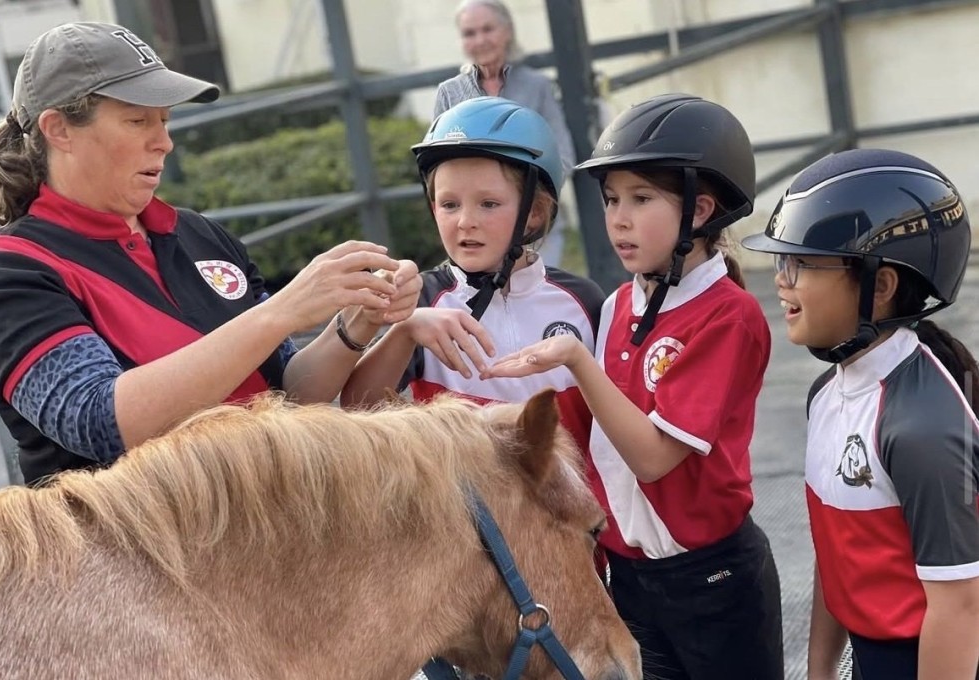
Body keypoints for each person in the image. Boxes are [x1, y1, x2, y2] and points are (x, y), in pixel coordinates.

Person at [0, 22, 421, 487]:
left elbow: (289, 393)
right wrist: (284, 310)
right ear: (58, 129)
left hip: (275, 523)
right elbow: (101, 422)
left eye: (164, 119)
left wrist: (357, 322)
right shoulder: (3, 273)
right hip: (132, 550)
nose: (163, 141)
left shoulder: (198, 233)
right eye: (137, 120)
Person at [481, 93, 785, 680]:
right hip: (630, 573)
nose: (618, 218)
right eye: (611, 199)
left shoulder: (729, 315)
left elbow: (652, 460)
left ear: (699, 211)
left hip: (711, 579)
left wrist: (575, 358)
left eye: (641, 199)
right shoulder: (621, 300)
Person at [340, 96, 604, 680]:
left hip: (564, 545)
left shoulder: (581, 302)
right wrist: (405, 331)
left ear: (534, 212)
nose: (465, 221)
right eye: (449, 203)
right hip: (464, 560)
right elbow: (357, 408)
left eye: (489, 203)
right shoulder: (426, 299)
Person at [743, 148, 979, 680]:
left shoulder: (923, 427)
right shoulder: (827, 393)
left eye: (801, 264)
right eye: (782, 262)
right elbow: (838, 559)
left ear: (883, 285)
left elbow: (960, 608)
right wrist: (820, 669)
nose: (781, 280)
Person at [434, 0, 576, 268]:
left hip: (532, 223)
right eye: (469, 33)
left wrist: (528, 197)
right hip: (473, 227)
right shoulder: (449, 93)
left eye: (488, 29)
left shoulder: (538, 86)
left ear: (507, 31)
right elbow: (437, 169)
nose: (480, 40)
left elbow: (563, 155)